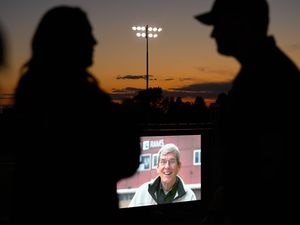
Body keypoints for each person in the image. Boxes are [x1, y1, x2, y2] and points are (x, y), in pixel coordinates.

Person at [11, 5, 140, 224]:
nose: (94, 42)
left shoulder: (31, 90)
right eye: (87, 34)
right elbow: (117, 163)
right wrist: (128, 122)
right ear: (67, 41)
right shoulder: (80, 97)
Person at [195, 0, 300, 224]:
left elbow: (270, 164)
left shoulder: (266, 76)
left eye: (217, 24)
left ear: (239, 23)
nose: (213, 34)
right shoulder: (263, 69)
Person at [128, 143, 196, 207]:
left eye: (172, 161)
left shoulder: (190, 196)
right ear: (157, 167)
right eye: (163, 161)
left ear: (179, 166)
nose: (167, 166)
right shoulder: (142, 192)